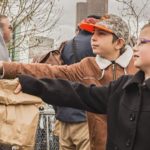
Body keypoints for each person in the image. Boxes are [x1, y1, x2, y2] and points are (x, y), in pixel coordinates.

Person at [0, 14, 137, 150]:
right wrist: (5, 67)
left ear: (119, 43)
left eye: (101, 34)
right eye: (94, 33)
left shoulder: (139, 68)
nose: (93, 38)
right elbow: (51, 71)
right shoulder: (87, 65)